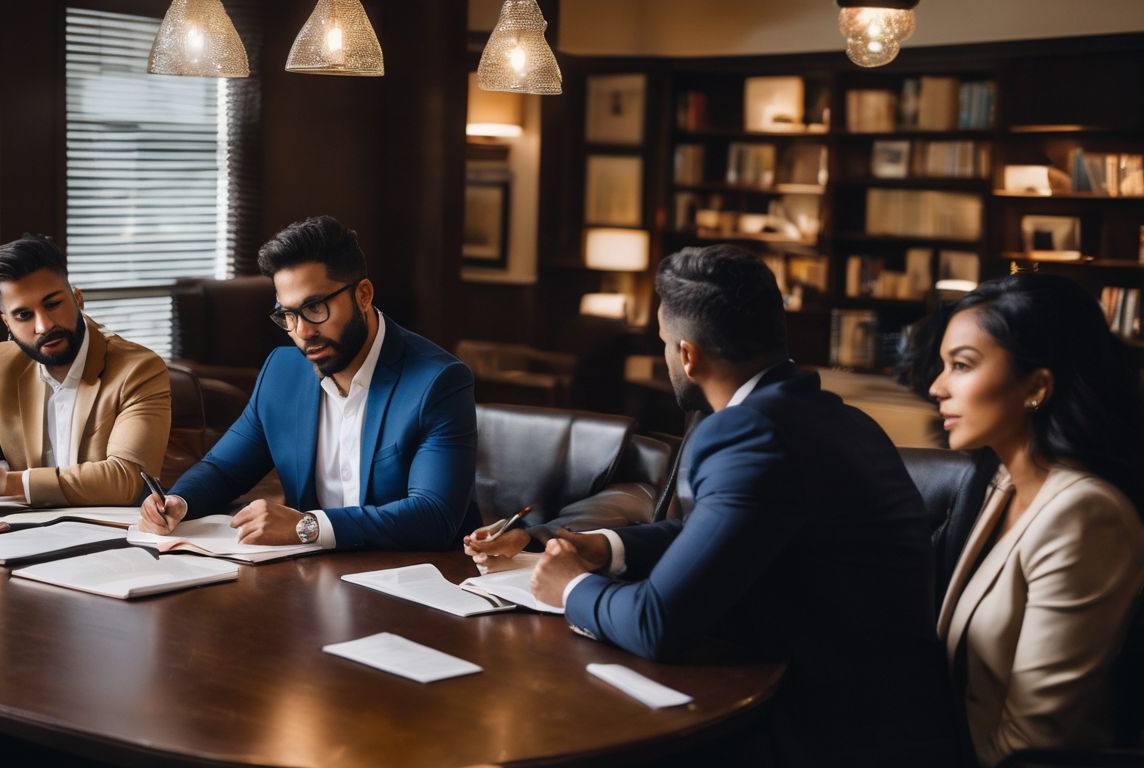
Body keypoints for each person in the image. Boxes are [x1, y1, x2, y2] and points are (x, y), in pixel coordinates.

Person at [467, 245, 958, 766]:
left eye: (662, 343)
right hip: (874, 704)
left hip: (828, 732)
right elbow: (721, 530)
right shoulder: (831, 417)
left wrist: (571, 586)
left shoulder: (750, 433)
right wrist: (601, 547)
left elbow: (659, 624)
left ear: (686, 354)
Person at [138, 215, 477, 551]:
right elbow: (223, 469)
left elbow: (435, 515)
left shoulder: (438, 382)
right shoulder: (282, 373)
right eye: (287, 314)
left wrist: (308, 526)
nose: (302, 331)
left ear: (363, 295)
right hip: (313, 580)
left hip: (416, 582)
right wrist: (180, 501)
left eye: (315, 307)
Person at [921, 273, 1144, 766]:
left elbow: (1034, 745)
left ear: (1036, 386)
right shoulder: (999, 482)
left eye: (961, 365)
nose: (937, 387)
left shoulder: (1085, 515)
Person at [0, 234, 171, 506]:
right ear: (7, 322)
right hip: (24, 533)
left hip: (111, 534)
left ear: (78, 299)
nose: (44, 326)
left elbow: (127, 479)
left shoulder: (138, 369)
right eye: (24, 315)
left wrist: (3, 482)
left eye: (53, 304)